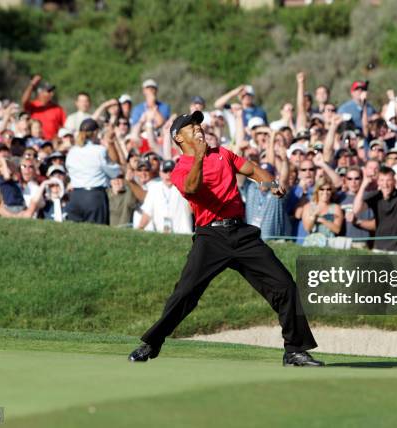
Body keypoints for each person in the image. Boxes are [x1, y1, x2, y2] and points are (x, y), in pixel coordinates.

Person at [128, 111, 322, 367]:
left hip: (241, 233)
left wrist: (270, 182)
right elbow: (193, 188)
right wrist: (198, 156)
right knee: (185, 292)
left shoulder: (223, 153)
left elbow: (251, 169)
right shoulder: (181, 169)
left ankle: (295, 350)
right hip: (210, 236)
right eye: (191, 127)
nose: (198, 128)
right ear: (178, 137)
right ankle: (152, 343)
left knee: (284, 285)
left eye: (199, 124)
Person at [65, 119, 121, 224]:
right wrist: (110, 143)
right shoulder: (99, 150)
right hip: (94, 197)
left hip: (75, 196)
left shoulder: (72, 152)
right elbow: (115, 171)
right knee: (97, 236)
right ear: (95, 133)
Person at [353, 166, 397, 253]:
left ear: (394, 181)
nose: (385, 184)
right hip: (381, 247)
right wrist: (363, 185)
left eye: (389, 180)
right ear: (378, 182)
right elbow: (356, 209)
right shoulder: (375, 196)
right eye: (382, 180)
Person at [138, 160, 193, 233]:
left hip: (183, 233)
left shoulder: (184, 186)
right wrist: (140, 228)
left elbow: (193, 208)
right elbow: (147, 213)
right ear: (160, 173)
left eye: (171, 171)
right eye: (165, 171)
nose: (168, 174)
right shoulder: (154, 188)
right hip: (162, 235)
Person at [21, 75, 66, 141]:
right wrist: (32, 85)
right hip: (35, 141)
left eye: (52, 91)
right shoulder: (33, 106)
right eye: (49, 91)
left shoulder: (58, 108)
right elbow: (24, 101)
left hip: (51, 143)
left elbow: (64, 127)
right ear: (40, 92)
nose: (52, 93)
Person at [301, 176, 343, 242]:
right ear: (317, 190)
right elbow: (307, 228)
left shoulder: (336, 208)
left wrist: (322, 220)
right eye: (322, 189)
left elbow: (337, 230)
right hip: (312, 243)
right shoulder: (308, 206)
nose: (325, 192)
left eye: (328, 189)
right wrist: (314, 215)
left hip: (330, 243)